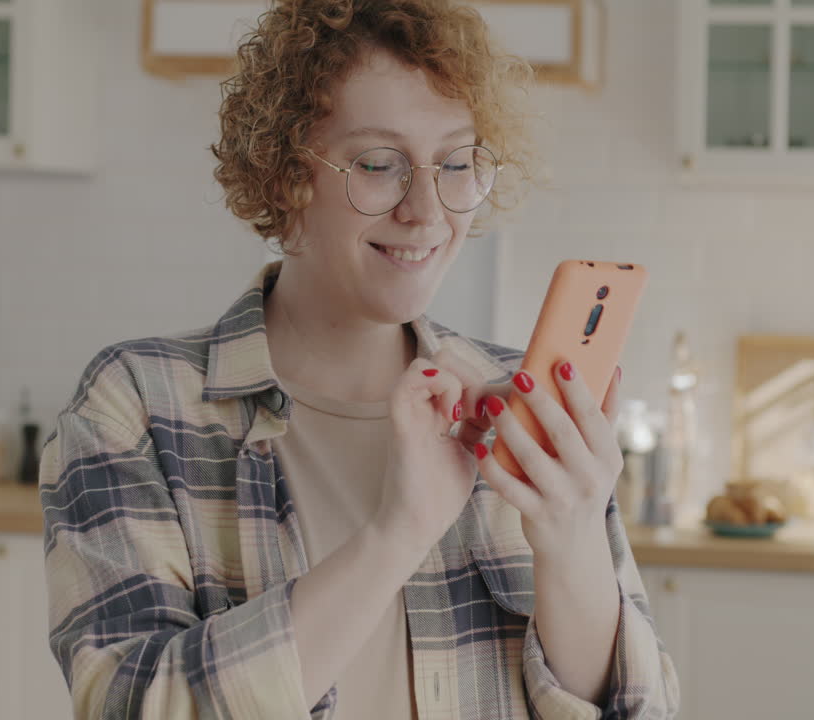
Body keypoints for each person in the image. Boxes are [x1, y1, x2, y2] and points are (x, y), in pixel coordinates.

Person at [39, 1, 680, 717]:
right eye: (379, 164)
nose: (428, 212)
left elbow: (636, 707)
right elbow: (131, 705)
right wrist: (398, 531)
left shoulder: (517, 409)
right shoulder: (139, 406)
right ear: (286, 176)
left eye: (459, 163)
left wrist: (573, 539)